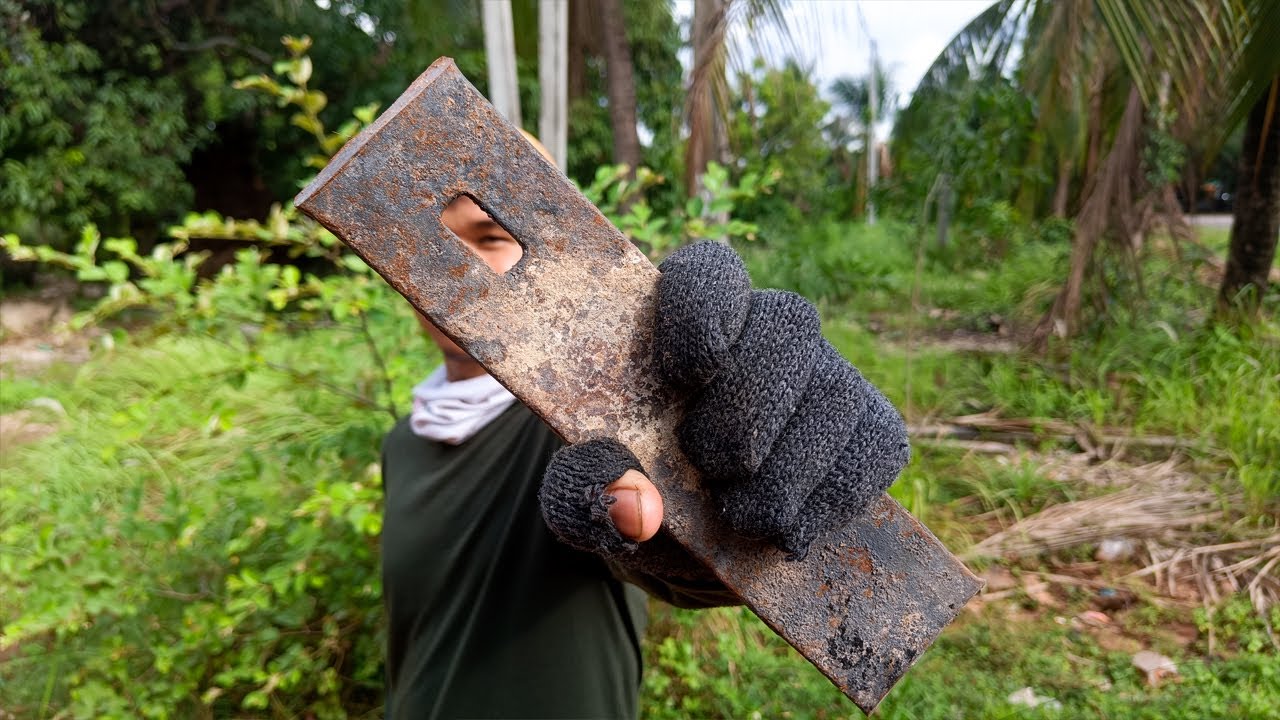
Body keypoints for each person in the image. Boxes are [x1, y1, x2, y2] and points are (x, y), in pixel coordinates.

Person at [379, 137, 910, 720]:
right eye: (441, 240)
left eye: (490, 238)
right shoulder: (403, 442)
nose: (460, 266)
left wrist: (706, 539)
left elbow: (687, 573)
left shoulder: (579, 415)